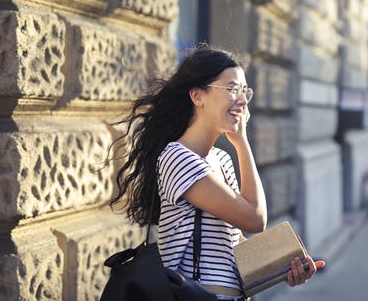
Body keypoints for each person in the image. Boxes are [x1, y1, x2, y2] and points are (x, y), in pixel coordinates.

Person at [110, 44, 325, 300]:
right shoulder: (177, 157)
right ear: (198, 96)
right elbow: (256, 219)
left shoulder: (221, 159)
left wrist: (285, 265)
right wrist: (242, 142)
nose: (243, 101)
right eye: (232, 89)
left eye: (245, 91)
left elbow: (234, 243)